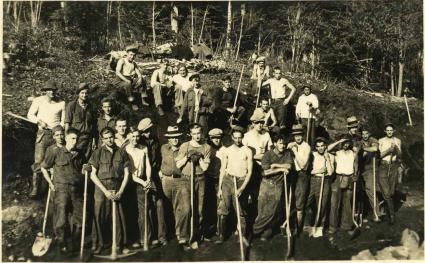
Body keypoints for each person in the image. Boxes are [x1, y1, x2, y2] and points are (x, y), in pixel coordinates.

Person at [40, 128, 84, 253]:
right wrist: (50, 183)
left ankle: (74, 241)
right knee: (61, 218)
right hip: (61, 189)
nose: (74, 141)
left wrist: (86, 169)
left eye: (76, 138)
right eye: (72, 138)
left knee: (79, 217)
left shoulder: (79, 153)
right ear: (67, 138)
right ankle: (62, 242)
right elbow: (44, 167)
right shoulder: (54, 151)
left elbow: (84, 167)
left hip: (76, 189)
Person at [89, 127, 130, 254]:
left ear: (114, 136)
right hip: (101, 188)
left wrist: (121, 191)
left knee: (118, 216)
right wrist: (105, 191)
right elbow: (92, 175)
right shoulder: (97, 153)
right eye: (106, 138)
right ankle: (99, 244)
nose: (109, 140)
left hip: (117, 186)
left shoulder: (122, 152)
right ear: (102, 139)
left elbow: (127, 173)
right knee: (99, 215)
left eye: (111, 137)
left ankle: (120, 245)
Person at [125, 127, 166, 247]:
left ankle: (146, 238)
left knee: (146, 209)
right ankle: (135, 238)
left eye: (137, 136)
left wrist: (147, 180)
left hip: (142, 180)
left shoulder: (143, 148)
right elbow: (130, 173)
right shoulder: (125, 150)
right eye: (132, 136)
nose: (135, 139)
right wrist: (143, 182)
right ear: (128, 136)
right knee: (133, 211)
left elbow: (148, 165)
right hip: (130, 182)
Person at [27, 80, 65, 197]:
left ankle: (55, 188)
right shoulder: (38, 100)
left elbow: (63, 121)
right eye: (49, 90)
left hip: (55, 136)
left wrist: (58, 129)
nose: (52, 92)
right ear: (45, 91)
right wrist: (39, 121)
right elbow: (30, 115)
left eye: (54, 90)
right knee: (39, 161)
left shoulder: (61, 103)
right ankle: (35, 188)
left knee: (57, 160)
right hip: (42, 134)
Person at [253, 134, 293, 240]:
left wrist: (275, 165)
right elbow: (265, 172)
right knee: (261, 210)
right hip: (266, 184)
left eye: (284, 143)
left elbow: (289, 165)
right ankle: (262, 231)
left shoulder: (287, 153)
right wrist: (280, 169)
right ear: (275, 144)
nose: (283, 145)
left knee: (271, 211)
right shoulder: (268, 154)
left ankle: (255, 230)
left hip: (278, 186)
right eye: (280, 143)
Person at [175, 123, 211, 243]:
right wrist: (187, 157)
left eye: (199, 133)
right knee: (186, 209)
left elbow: (205, 168)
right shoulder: (185, 146)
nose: (197, 136)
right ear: (190, 134)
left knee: (199, 210)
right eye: (194, 133)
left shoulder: (207, 147)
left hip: (200, 179)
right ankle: (184, 236)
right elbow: (178, 164)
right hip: (186, 179)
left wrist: (199, 158)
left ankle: (196, 235)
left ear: (202, 133)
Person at [217, 126, 253, 245]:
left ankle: (242, 236)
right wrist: (220, 188)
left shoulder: (247, 151)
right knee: (224, 209)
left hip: (241, 181)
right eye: (235, 138)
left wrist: (242, 189)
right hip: (228, 181)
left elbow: (250, 173)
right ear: (232, 137)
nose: (238, 140)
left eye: (240, 138)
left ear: (243, 137)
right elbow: (222, 169)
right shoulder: (227, 150)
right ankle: (222, 236)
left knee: (241, 210)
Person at [159, 126, 190, 245]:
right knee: (165, 208)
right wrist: (160, 172)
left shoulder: (184, 148)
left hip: (182, 180)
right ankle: (164, 236)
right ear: (169, 139)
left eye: (177, 137)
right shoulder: (163, 148)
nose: (175, 139)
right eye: (172, 137)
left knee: (185, 209)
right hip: (166, 181)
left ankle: (182, 235)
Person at [137, 118, 166, 246]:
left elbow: (158, 158)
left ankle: (162, 236)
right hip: (142, 178)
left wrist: (159, 170)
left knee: (159, 205)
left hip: (155, 176)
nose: (148, 133)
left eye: (149, 130)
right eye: (145, 132)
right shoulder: (140, 143)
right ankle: (148, 236)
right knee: (146, 208)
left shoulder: (155, 140)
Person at [242, 111, 273, 223]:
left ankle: (257, 220)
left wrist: (262, 157)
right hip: (249, 168)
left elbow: (270, 152)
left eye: (262, 122)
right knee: (246, 194)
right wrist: (255, 156)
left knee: (259, 195)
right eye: (258, 123)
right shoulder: (246, 136)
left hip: (262, 168)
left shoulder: (266, 135)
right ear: (253, 123)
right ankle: (245, 220)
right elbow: (243, 153)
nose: (260, 125)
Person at [328, 136, 358, 234]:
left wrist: (355, 175)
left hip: (349, 178)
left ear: (350, 143)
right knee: (334, 203)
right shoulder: (337, 153)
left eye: (347, 143)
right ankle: (333, 226)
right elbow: (327, 149)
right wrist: (338, 141)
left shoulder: (353, 153)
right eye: (344, 143)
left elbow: (356, 164)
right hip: (338, 178)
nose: (345, 145)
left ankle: (346, 225)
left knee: (347, 202)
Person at [305, 137, 334, 232]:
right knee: (307, 203)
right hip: (313, 180)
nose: (321, 148)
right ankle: (309, 225)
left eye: (322, 146)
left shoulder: (330, 156)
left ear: (325, 146)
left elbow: (330, 172)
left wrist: (327, 159)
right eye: (318, 146)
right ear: (316, 148)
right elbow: (308, 170)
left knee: (322, 205)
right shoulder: (313, 155)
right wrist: (319, 170)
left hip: (325, 181)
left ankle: (320, 226)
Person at [287, 124, 311, 232]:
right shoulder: (291, 144)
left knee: (300, 202)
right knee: (290, 200)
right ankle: (289, 224)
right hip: (291, 174)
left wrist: (295, 151)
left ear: (303, 135)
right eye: (296, 136)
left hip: (302, 174)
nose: (298, 138)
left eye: (300, 135)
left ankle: (298, 227)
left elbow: (302, 164)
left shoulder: (306, 147)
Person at [64, 83, 96, 161]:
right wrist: (67, 138)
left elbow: (93, 125)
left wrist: (94, 139)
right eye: (82, 93)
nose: (84, 95)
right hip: (76, 139)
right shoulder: (71, 105)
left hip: (88, 139)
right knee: (74, 159)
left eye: (86, 93)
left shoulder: (91, 106)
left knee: (86, 160)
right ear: (78, 94)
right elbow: (67, 123)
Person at [378, 123, 402, 225]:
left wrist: (395, 148)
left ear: (394, 131)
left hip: (393, 167)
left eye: (391, 130)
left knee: (391, 193)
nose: (389, 132)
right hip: (383, 166)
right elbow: (379, 155)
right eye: (387, 130)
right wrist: (388, 150)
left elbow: (400, 155)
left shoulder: (398, 141)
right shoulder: (381, 141)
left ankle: (385, 208)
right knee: (387, 193)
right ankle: (392, 215)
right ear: (385, 131)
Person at [204, 128, 225, 240]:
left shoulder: (225, 150)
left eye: (218, 138)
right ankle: (208, 229)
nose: (216, 140)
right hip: (208, 180)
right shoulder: (207, 149)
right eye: (213, 138)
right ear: (210, 138)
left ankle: (220, 229)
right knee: (208, 205)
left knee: (220, 204)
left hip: (220, 180)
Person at [359, 127, 381, 222]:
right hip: (360, 168)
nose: (365, 135)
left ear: (369, 133)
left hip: (371, 168)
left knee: (370, 190)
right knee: (360, 191)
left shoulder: (372, 139)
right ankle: (360, 213)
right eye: (363, 134)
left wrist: (364, 149)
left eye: (366, 133)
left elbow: (375, 148)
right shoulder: (359, 141)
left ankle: (377, 214)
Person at [114, 44, 147, 108]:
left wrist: (140, 77)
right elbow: (117, 72)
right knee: (127, 84)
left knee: (143, 79)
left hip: (130, 79)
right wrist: (126, 80)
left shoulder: (133, 63)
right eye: (131, 55)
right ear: (127, 54)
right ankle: (132, 102)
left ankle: (143, 99)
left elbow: (138, 72)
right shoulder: (122, 61)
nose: (132, 57)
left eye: (134, 55)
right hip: (120, 81)